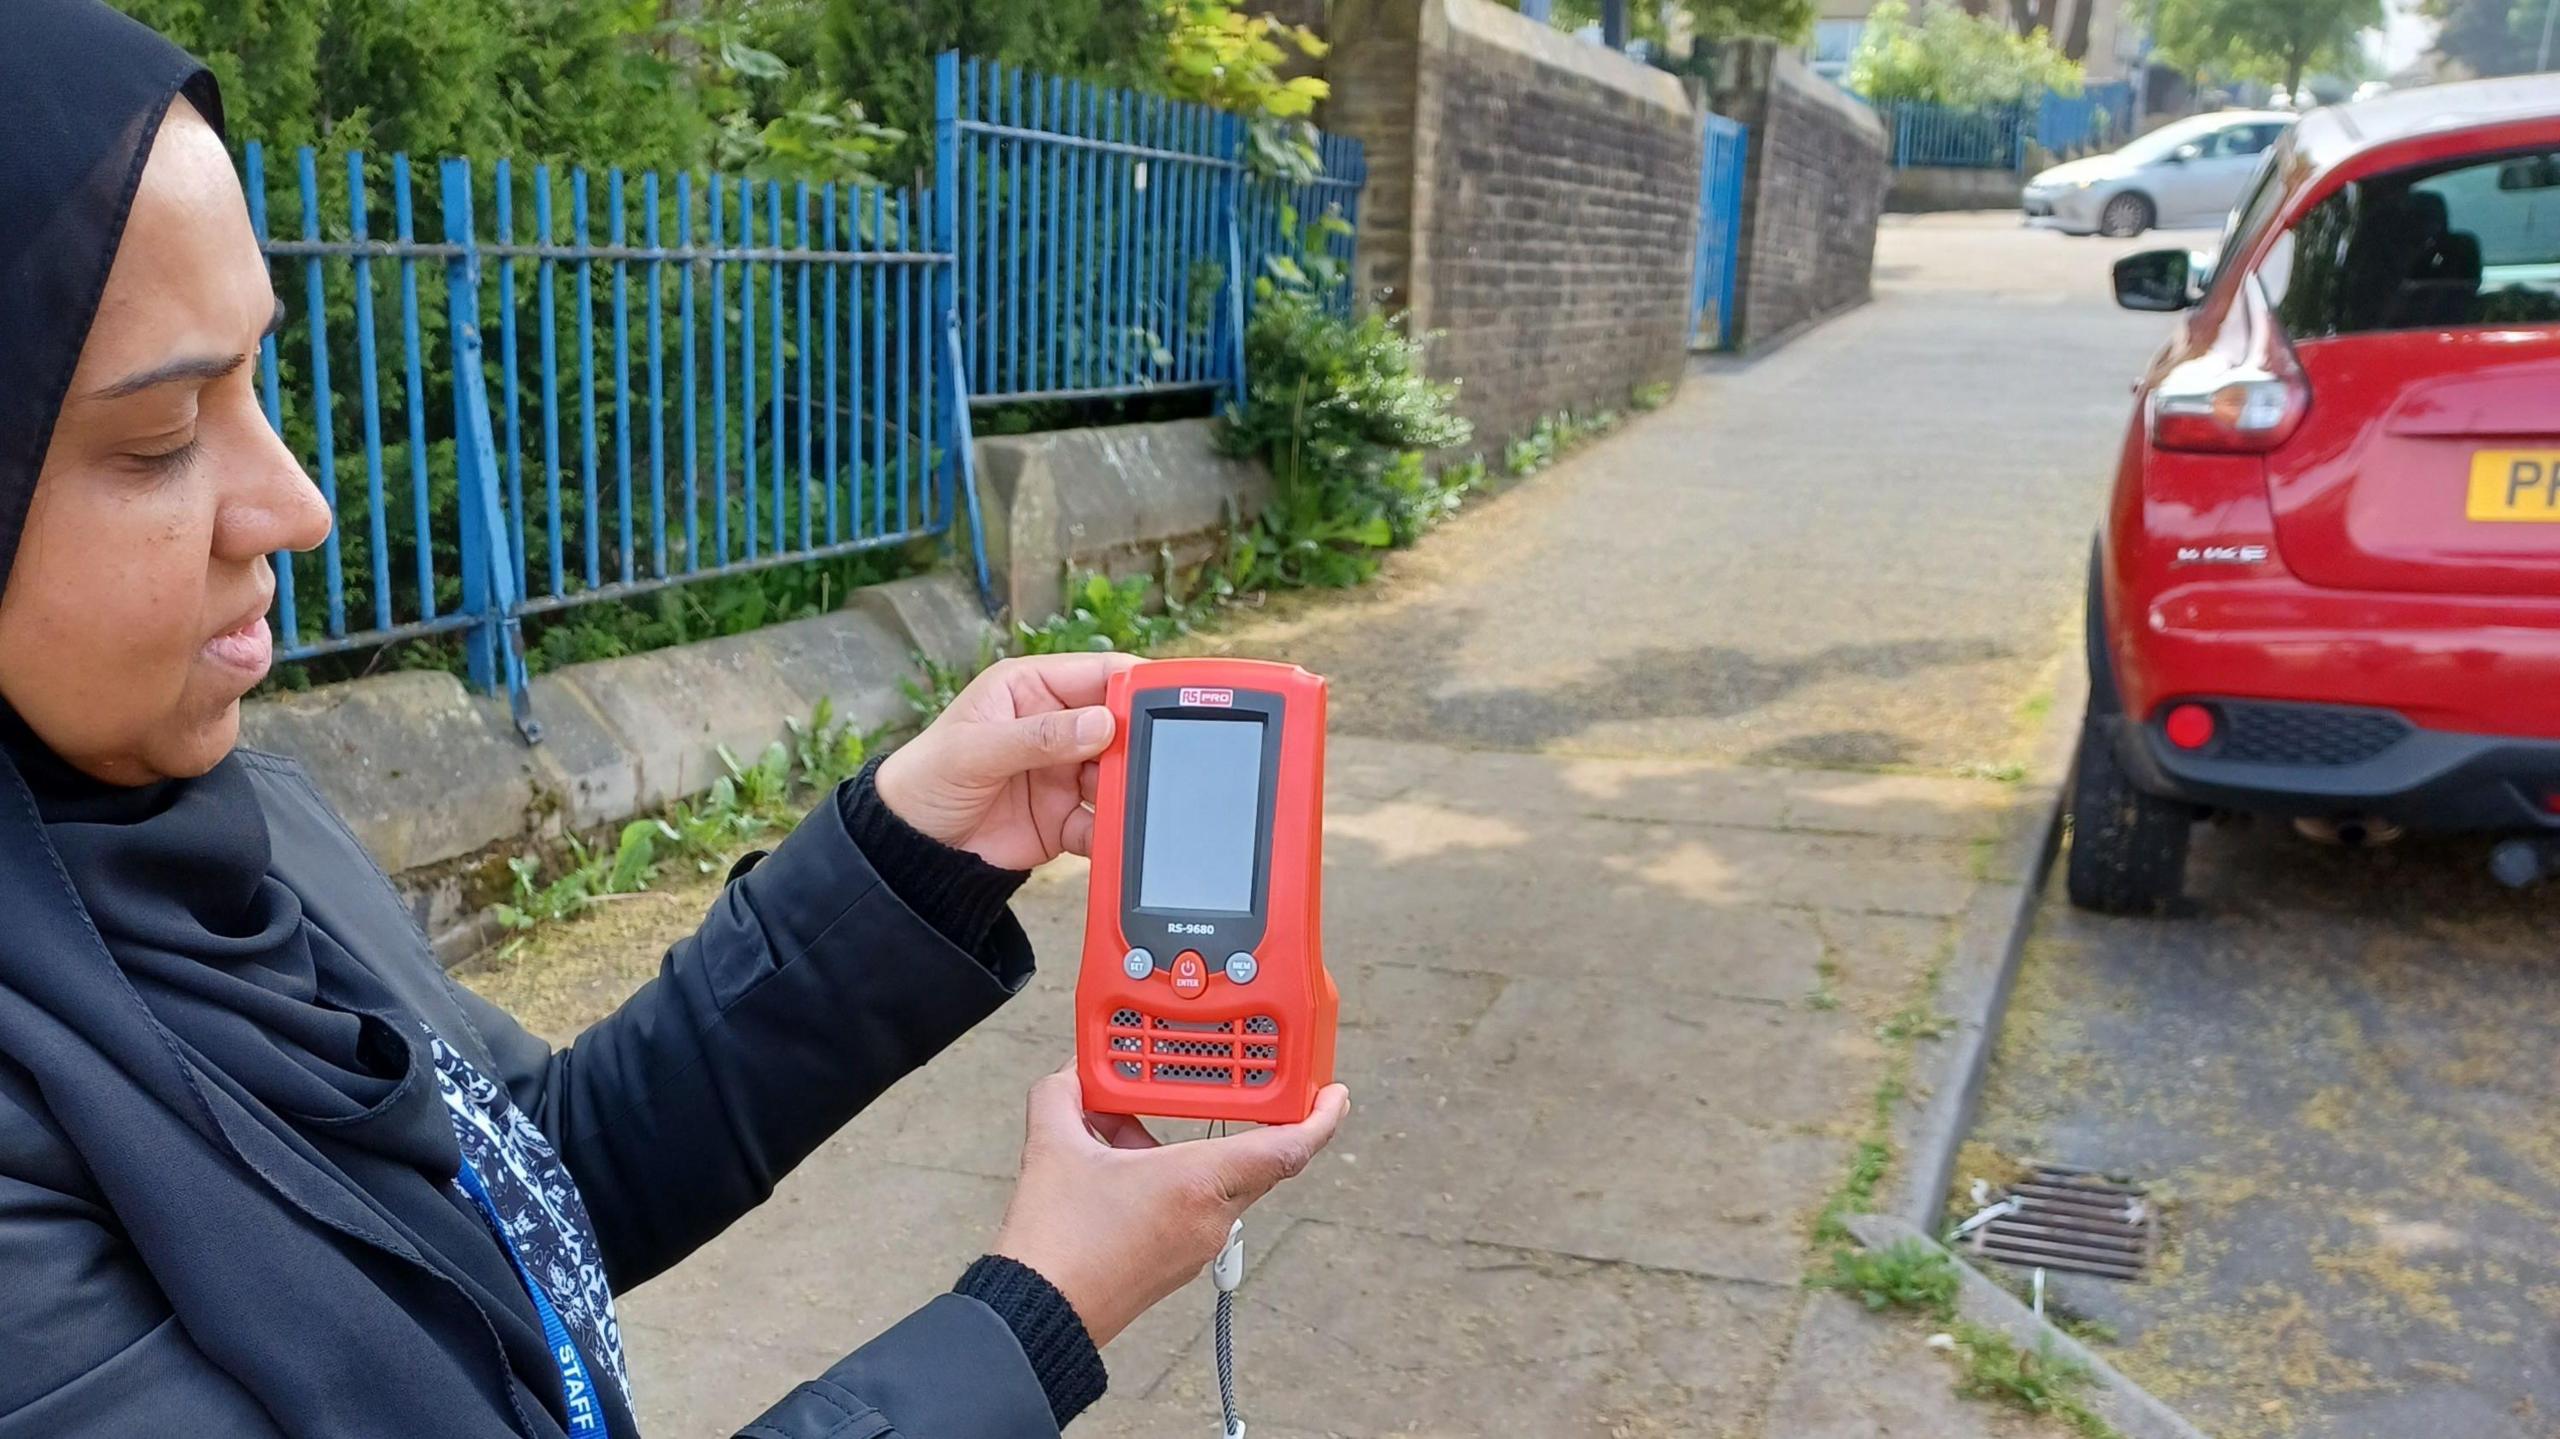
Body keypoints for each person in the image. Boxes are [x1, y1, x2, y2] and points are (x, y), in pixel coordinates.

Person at [0, 3, 1350, 1436]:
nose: (296, 506)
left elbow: (533, 1182)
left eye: (257, 380)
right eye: (158, 440)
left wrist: (909, 858)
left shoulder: (230, 819)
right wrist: (1033, 1319)